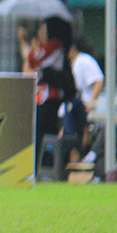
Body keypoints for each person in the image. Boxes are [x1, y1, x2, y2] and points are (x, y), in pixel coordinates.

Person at [18, 16, 76, 161]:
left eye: (42, 30)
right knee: (42, 134)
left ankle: (43, 165)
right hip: (44, 98)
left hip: (50, 98)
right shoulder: (51, 47)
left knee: (42, 134)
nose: (40, 33)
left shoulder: (54, 45)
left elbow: (33, 59)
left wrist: (32, 47)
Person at [62, 38, 104, 152]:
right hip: (77, 107)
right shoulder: (72, 63)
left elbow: (99, 80)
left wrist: (92, 101)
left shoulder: (84, 60)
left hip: (86, 107)